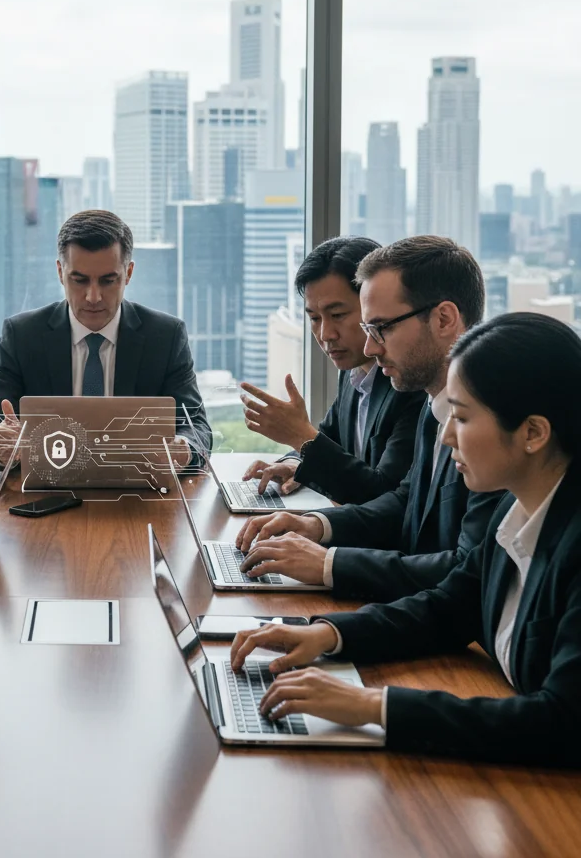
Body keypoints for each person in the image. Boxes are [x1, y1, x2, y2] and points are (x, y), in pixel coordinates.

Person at [230, 312, 581, 767]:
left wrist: (373, 706)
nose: (448, 434)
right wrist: (327, 634)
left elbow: (560, 722)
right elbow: (448, 609)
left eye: (463, 416)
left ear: (533, 433)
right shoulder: (516, 513)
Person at [236, 236, 503, 601]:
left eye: (381, 328)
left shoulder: (497, 423)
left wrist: (328, 564)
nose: (368, 348)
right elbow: (403, 501)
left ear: (444, 318)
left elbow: (465, 572)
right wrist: (316, 525)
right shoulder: (434, 403)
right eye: (367, 329)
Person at [0, 210, 212, 465]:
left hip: (142, 490)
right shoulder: (22, 335)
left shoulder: (165, 336)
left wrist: (184, 448)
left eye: (108, 281)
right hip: (41, 489)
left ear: (128, 273)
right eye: (79, 280)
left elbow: (196, 427)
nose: (93, 297)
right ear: (60, 271)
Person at [241, 236, 425, 504]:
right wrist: (294, 462)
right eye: (314, 318)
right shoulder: (353, 370)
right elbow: (329, 438)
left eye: (337, 315)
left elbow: (382, 495)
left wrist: (300, 435)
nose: (325, 334)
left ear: (372, 304)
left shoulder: (409, 381)